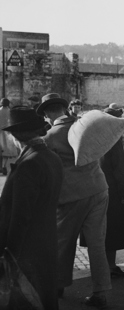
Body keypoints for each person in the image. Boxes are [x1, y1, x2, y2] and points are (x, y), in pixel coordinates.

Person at [37, 93, 111, 308]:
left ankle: (58, 286)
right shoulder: (83, 127)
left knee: (63, 242)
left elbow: (48, 170)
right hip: (99, 188)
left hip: (71, 196)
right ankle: (101, 292)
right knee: (97, 244)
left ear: (49, 113)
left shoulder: (50, 137)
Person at [0, 107, 63, 309]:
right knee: (43, 297)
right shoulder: (51, 157)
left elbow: (20, 216)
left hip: (27, 249)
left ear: (15, 137)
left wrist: (10, 254)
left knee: (26, 300)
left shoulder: (29, 163)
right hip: (45, 241)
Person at [80, 107, 124, 278]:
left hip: (95, 186)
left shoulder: (94, 137)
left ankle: (103, 266)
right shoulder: (113, 139)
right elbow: (119, 169)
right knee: (113, 230)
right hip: (113, 191)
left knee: (99, 230)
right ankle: (110, 266)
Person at [0, 98, 19, 175]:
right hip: (7, 133)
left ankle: (1, 167)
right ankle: (4, 167)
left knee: (1, 151)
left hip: (0, 132)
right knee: (7, 153)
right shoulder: (10, 111)